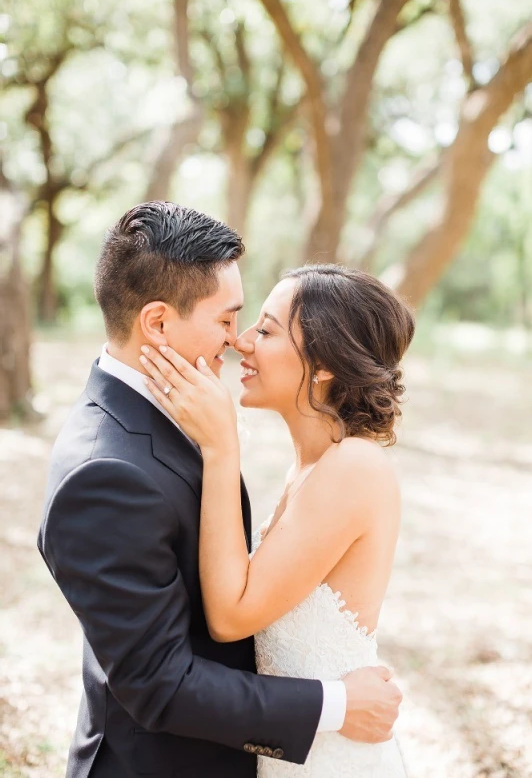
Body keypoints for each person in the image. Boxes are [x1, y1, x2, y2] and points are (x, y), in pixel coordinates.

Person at [38, 202, 403, 778]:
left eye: (260, 326)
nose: (238, 343)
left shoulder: (183, 414)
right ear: (157, 323)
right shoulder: (103, 472)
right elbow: (160, 681)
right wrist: (334, 706)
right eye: (229, 319)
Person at [141, 261, 415, 776]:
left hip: (333, 759)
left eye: (265, 329)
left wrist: (221, 448)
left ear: (326, 362)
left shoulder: (354, 467)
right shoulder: (309, 467)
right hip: (294, 748)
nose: (241, 342)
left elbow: (230, 616)